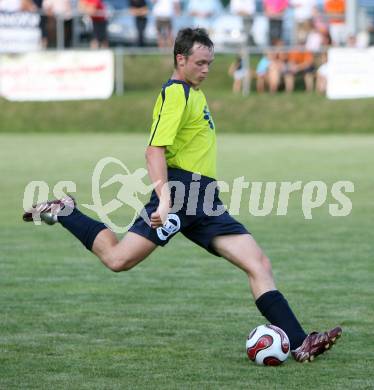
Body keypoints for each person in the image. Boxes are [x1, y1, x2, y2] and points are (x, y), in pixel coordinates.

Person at [23, 27, 342, 363]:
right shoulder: (176, 94)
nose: (206, 69)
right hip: (178, 194)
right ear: (181, 59)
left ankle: (300, 342)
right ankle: (65, 211)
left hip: (204, 200)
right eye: (201, 62)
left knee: (259, 263)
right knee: (118, 260)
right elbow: (154, 150)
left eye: (210, 63)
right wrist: (163, 198)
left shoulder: (195, 92)